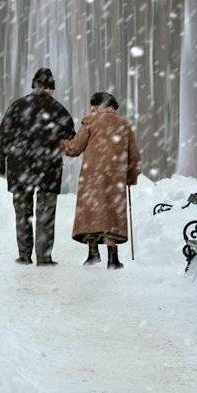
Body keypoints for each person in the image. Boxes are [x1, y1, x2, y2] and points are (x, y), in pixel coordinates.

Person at [0, 68, 75, 265]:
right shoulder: (58, 110)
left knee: (23, 214)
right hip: (48, 169)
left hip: (19, 169)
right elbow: (71, 137)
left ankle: (24, 255)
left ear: (34, 85)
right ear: (51, 88)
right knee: (46, 213)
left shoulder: (17, 106)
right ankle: (44, 257)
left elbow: (1, 137)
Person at [60, 92, 140, 269]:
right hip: (115, 178)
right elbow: (134, 157)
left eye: (92, 107)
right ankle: (113, 259)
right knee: (110, 213)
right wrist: (130, 177)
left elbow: (74, 148)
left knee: (91, 211)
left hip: (92, 176)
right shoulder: (125, 125)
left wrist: (60, 142)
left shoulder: (90, 121)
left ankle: (93, 253)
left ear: (96, 106)